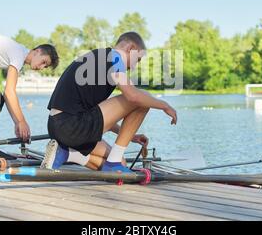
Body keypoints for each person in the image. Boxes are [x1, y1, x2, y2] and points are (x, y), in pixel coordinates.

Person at [42, 31, 177, 173]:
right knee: (143, 98)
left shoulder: (100, 58)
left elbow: (99, 115)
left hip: (58, 127)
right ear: (130, 49)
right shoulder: (114, 57)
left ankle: (66, 154)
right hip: (71, 126)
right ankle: (113, 163)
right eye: (137, 60)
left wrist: (130, 135)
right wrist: (164, 105)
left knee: (121, 163)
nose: (135, 66)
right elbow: (133, 96)